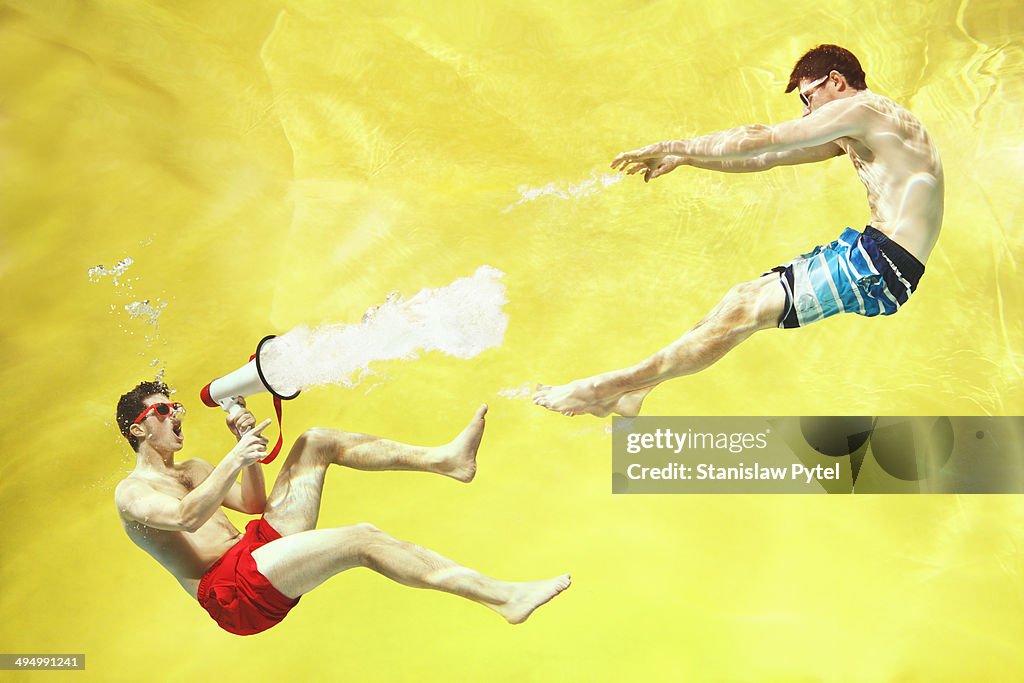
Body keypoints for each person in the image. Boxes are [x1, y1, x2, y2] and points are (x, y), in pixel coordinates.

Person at [533, 44, 943, 417]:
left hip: (882, 262)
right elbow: (766, 158)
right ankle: (636, 390)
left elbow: (760, 138)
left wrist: (673, 144)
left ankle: (606, 388)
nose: (806, 112)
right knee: (741, 300)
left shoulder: (863, 111)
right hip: (877, 254)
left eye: (808, 97)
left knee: (745, 311)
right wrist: (688, 161)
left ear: (835, 81)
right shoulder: (867, 126)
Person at [114, 380, 570, 635]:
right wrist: (236, 458)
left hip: (258, 551)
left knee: (316, 440)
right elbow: (183, 517)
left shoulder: (193, 468)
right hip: (232, 592)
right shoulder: (131, 492)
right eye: (162, 411)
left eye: (175, 407)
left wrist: (242, 448)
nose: (175, 414)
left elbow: (253, 503)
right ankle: (504, 597)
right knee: (362, 539)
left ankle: (445, 460)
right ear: (137, 430)